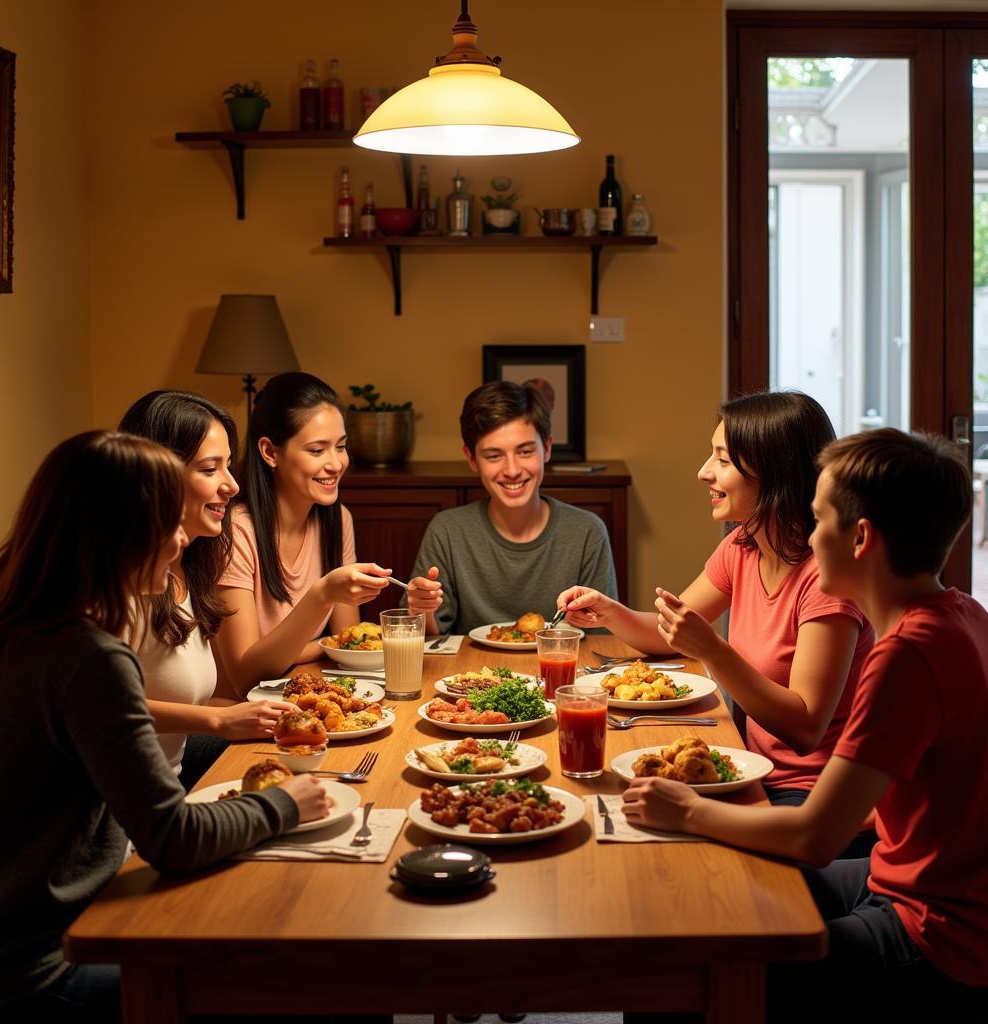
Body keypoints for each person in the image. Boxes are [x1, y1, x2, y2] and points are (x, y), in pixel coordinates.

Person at [622, 429, 988, 1018]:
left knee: (681, 955)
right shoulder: (962, 613)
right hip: (900, 873)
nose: (809, 537)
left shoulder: (907, 654)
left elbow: (814, 839)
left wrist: (684, 809)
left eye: (818, 521)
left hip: (937, 931)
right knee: (716, 891)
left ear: (861, 538)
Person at [0, 431, 328, 1023]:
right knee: (310, 973)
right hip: (41, 969)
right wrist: (286, 803)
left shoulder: (14, 628)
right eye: (169, 522)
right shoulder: (89, 657)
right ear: (120, 534)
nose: (182, 538)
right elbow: (173, 838)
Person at [559, 392, 875, 821]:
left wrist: (712, 651)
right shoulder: (742, 546)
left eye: (722, 460)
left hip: (811, 797)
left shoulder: (827, 580)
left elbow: (805, 728)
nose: (703, 472)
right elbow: (668, 634)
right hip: (748, 766)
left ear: (774, 472)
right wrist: (610, 611)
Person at [119, 390, 297, 789]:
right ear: (155, 474)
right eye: (209, 469)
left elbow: (188, 700)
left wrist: (260, 714)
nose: (232, 486)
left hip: (169, 786)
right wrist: (218, 720)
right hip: (123, 809)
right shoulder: (121, 583)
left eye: (229, 466)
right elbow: (100, 707)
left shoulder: (191, 566)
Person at [215, 372, 391, 697]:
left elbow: (349, 641)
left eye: (341, 447)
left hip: (296, 699)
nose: (336, 463)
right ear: (270, 452)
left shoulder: (337, 518)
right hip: (234, 721)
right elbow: (245, 673)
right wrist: (321, 596)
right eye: (316, 450)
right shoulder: (235, 531)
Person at [406, 380, 618, 635]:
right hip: (469, 674)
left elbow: (601, 640)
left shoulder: (586, 531)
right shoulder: (447, 530)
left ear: (547, 448)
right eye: (494, 456)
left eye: (525, 452)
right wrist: (421, 611)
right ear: (471, 458)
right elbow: (428, 643)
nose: (512, 470)